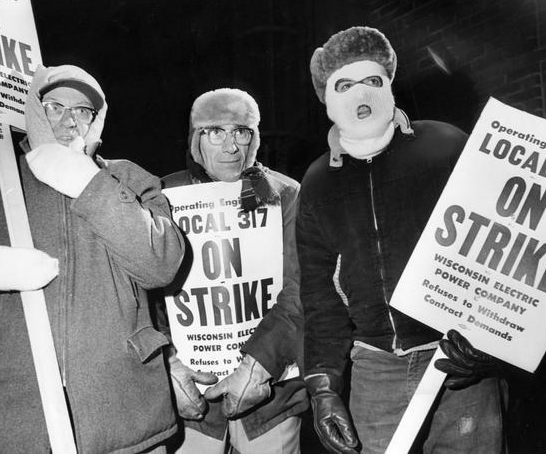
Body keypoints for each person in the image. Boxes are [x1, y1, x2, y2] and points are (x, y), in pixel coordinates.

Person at [297, 27, 506, 454]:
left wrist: (492, 344)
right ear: (326, 98)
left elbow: (502, 251)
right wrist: (324, 386)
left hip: (455, 357)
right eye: (344, 84)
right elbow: (320, 296)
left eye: (373, 80)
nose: (362, 94)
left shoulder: (445, 145)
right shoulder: (318, 182)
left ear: (390, 83)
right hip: (375, 370)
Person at [0, 64, 185, 453]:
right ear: (35, 111)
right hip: (16, 418)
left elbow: (161, 264)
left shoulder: (130, 178)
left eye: (83, 110)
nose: (71, 120)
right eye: (55, 106)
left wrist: (90, 185)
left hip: (124, 414)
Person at [161, 88, 308, 453]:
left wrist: (261, 363)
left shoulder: (281, 193)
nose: (230, 146)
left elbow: (302, 286)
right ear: (196, 139)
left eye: (241, 132)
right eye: (215, 132)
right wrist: (167, 364)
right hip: (193, 399)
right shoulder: (163, 195)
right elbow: (144, 295)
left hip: (272, 400)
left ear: (254, 138)